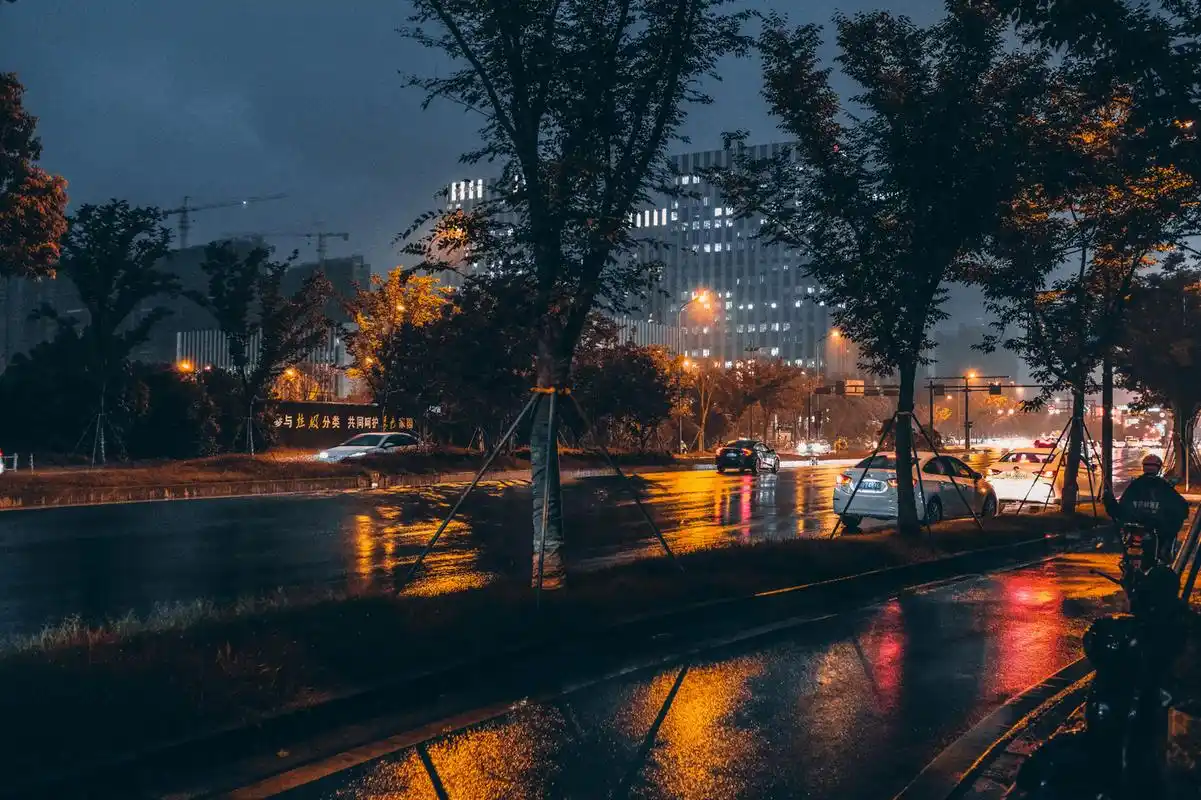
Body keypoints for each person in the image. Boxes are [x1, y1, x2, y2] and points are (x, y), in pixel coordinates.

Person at [1102, 453, 1189, 561]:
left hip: (1137, 529)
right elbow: (1181, 507)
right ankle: (1164, 555)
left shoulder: (1135, 485)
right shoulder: (1162, 486)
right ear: (1158, 468)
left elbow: (1122, 508)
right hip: (1152, 530)